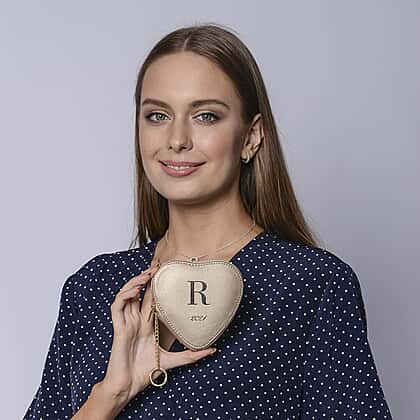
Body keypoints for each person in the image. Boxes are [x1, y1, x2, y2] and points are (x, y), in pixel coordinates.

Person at [23, 23, 393, 419]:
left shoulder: (311, 284)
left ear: (251, 136)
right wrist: (111, 393)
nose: (177, 139)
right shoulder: (93, 288)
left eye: (206, 116)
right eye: (157, 115)